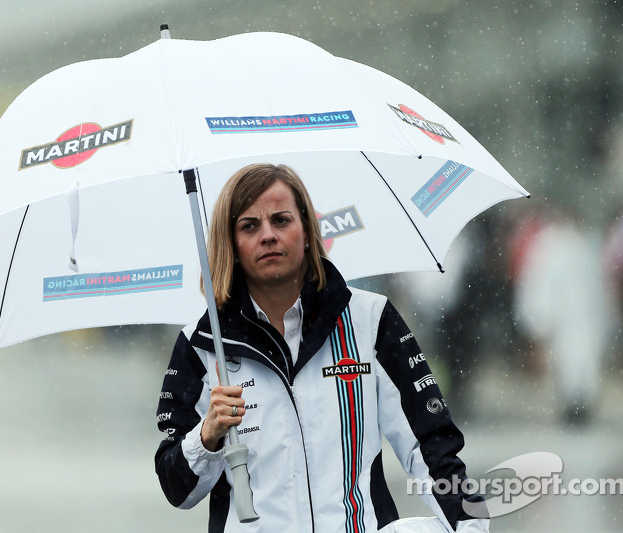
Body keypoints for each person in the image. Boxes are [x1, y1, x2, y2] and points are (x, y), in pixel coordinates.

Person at [154, 163, 488, 532]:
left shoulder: (370, 319)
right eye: (249, 226)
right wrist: (207, 436)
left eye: (281, 220)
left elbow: (430, 447)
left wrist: (471, 526)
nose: (267, 235)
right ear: (230, 245)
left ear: (309, 232)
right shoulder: (199, 344)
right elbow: (177, 491)